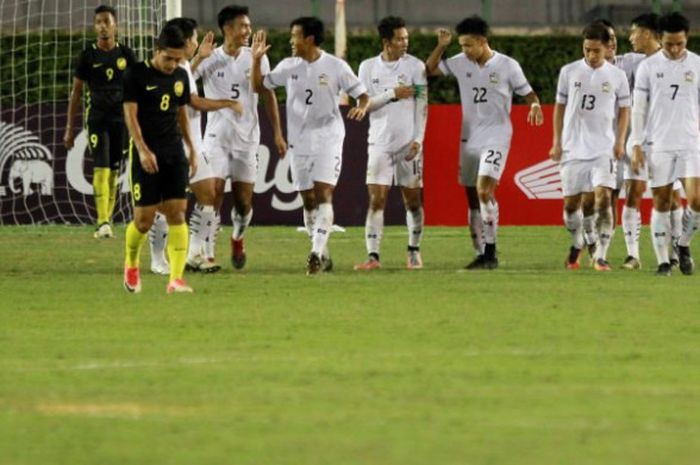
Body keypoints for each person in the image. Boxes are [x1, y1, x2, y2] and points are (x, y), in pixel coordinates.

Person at [250, 17, 370, 274]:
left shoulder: (336, 66)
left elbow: (363, 95)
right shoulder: (288, 66)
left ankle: (314, 253)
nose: (291, 41)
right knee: (308, 200)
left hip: (329, 137)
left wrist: (361, 108)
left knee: (324, 193)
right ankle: (323, 254)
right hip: (299, 141)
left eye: (295, 36)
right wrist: (256, 60)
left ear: (310, 39)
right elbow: (259, 87)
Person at [425, 15, 543, 270]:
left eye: (468, 45)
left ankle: (491, 252)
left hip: (497, 135)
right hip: (469, 137)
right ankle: (481, 253)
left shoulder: (508, 65)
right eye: (461, 46)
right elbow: (429, 70)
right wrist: (442, 46)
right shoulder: (459, 62)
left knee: (484, 190)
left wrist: (534, 104)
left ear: (482, 41)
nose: (464, 50)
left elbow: (529, 92)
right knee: (472, 197)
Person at [190, 5, 286, 270]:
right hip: (216, 138)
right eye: (242, 26)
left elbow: (263, 92)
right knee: (213, 195)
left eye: (248, 25)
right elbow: (183, 80)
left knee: (244, 203)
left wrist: (277, 132)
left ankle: (237, 238)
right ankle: (207, 254)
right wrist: (198, 57)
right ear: (227, 28)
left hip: (247, 139)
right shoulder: (210, 56)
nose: (248, 31)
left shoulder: (256, 56)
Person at [147, 17, 243, 275]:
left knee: (208, 194)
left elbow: (189, 83)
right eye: (194, 38)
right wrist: (227, 102)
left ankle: (195, 254)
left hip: (193, 144)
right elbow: (194, 102)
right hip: (172, 143)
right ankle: (158, 259)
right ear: (186, 41)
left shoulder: (185, 66)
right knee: (164, 205)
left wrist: (199, 58)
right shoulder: (166, 68)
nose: (197, 41)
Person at [122, 24, 198, 293]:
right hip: (146, 153)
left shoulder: (180, 75)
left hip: (173, 152)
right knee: (144, 220)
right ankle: (131, 264)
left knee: (177, 213)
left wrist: (191, 148)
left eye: (178, 59)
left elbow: (181, 113)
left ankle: (176, 278)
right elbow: (130, 116)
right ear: (156, 50)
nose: (173, 64)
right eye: (168, 58)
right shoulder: (136, 75)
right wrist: (142, 150)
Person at [550, 22, 630, 271]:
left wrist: (619, 141)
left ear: (607, 48)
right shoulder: (569, 72)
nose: (592, 55)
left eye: (596, 50)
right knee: (571, 206)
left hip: (603, 149)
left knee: (604, 198)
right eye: (587, 50)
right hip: (573, 149)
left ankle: (601, 255)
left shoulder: (618, 76)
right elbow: (560, 108)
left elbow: (625, 110)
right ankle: (579, 242)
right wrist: (556, 141)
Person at [353, 16, 428, 270]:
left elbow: (422, 105)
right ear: (387, 42)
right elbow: (363, 105)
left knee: (413, 201)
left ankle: (414, 250)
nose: (405, 43)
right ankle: (373, 257)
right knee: (376, 200)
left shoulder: (416, 67)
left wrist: (418, 139)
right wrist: (392, 94)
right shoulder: (367, 68)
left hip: (409, 145)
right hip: (380, 144)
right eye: (400, 39)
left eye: (406, 38)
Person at [630, 12, 700, 276]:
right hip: (659, 143)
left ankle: (682, 244)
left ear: (687, 39)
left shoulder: (697, 64)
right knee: (661, 201)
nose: (674, 49)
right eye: (669, 43)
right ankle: (662, 262)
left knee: (696, 200)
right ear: (660, 39)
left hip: (690, 144)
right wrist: (637, 144)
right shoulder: (647, 67)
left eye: (680, 43)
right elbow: (638, 108)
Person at [64, 5, 136, 238]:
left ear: (115, 25)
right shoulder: (88, 56)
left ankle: (107, 222)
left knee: (114, 169)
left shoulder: (126, 54)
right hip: (97, 119)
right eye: (98, 22)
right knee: (101, 166)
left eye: (106, 21)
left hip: (121, 120)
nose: (103, 26)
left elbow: (138, 89)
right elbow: (76, 93)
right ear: (95, 27)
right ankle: (102, 221)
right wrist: (69, 128)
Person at [619, 13, 684, 270]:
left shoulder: (675, 61)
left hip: (669, 141)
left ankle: (677, 249)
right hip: (639, 139)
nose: (631, 37)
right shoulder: (630, 62)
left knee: (672, 199)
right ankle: (633, 255)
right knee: (633, 193)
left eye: (635, 32)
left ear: (647, 33)